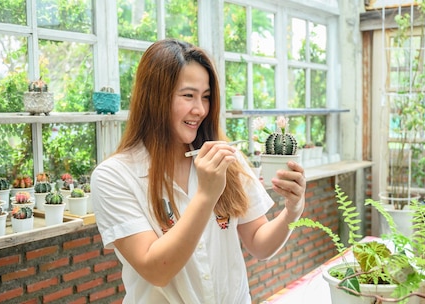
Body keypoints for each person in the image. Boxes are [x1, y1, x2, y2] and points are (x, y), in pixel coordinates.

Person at [91, 39, 306, 304]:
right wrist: (206, 195)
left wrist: (292, 210)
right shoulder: (113, 176)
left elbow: (259, 244)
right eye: (188, 95)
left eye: (206, 97)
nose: (201, 110)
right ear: (154, 98)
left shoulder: (226, 158)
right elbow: (156, 270)